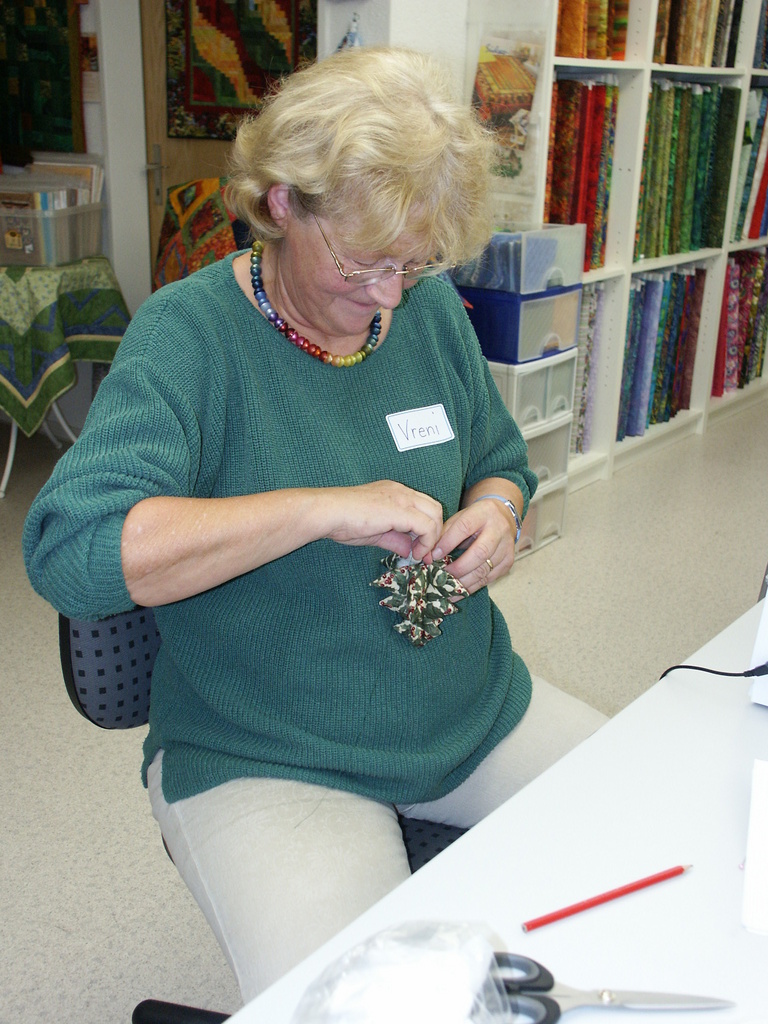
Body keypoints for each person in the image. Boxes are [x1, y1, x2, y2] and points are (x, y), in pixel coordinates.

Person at [23, 47, 605, 1004]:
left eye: (412, 263)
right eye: (362, 261)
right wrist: (320, 508)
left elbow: (502, 458)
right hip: (267, 753)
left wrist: (498, 512)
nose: (388, 294)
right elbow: (74, 551)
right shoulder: (187, 336)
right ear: (282, 203)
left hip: (470, 711)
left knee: (659, 833)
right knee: (358, 1003)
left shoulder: (426, 312)